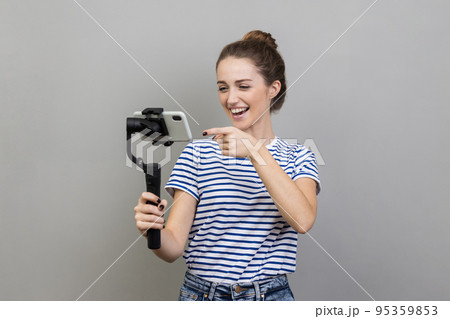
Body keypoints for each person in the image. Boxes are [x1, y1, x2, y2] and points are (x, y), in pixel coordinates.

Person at [134, 30, 321, 301]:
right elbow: (173, 247)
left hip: (268, 298)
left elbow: (302, 220)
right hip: (202, 296)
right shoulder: (197, 154)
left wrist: (255, 152)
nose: (231, 99)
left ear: (273, 89)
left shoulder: (299, 157)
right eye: (223, 87)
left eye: (243, 86)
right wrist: (153, 231)